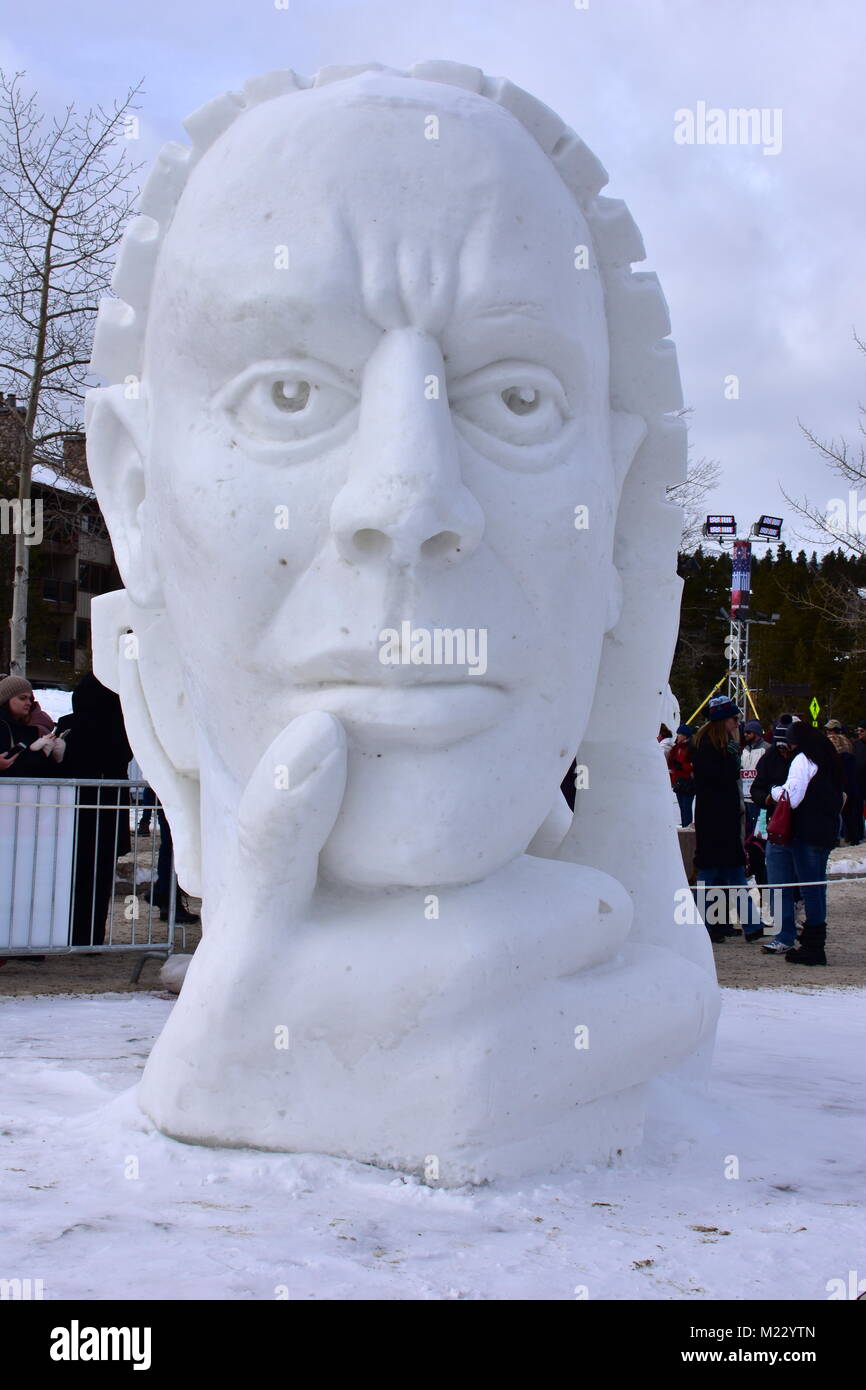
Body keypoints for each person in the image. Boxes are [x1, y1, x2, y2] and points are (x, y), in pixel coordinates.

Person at [758, 722, 843, 966]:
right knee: (816, 888)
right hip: (824, 830)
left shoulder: (803, 760)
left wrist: (774, 792)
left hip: (806, 832)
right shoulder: (828, 757)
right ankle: (814, 942)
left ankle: (813, 947)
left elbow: (792, 797)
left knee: (809, 889)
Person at [59, 673, 133, 947]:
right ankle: (91, 937)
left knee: (75, 875)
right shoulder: (122, 731)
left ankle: (72, 933)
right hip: (108, 813)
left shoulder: (71, 726)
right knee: (99, 878)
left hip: (78, 813)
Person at [692, 695, 763, 943]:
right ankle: (704, 924)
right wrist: (731, 763)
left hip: (723, 817)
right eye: (734, 718)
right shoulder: (708, 748)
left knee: (728, 873)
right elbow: (714, 782)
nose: (738, 723)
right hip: (715, 819)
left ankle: (743, 924)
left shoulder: (716, 746)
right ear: (723, 720)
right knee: (715, 873)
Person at [0, 676, 66, 778]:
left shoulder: (29, 728)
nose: (29, 703)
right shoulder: (3, 726)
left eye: (30, 699)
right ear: (6, 699)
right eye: (22, 698)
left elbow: (41, 774)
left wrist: (55, 758)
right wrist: (36, 752)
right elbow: (12, 768)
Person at [826, 730, 861, 845]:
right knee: (851, 812)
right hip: (852, 785)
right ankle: (853, 837)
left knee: (839, 812)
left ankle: (838, 837)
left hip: (841, 786)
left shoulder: (835, 757)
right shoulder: (849, 751)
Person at [740, 719, 768, 836]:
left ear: (756, 733)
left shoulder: (766, 749)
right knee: (747, 827)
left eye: (748, 732)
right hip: (745, 796)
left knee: (758, 829)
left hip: (757, 796)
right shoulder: (745, 750)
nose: (745, 734)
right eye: (745, 732)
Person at [667, 723, 695, 826]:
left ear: (685, 735)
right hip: (679, 782)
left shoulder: (691, 748)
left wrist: (682, 766)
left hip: (688, 782)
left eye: (680, 733)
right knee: (682, 808)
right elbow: (670, 763)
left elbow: (694, 765)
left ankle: (687, 828)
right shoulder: (677, 748)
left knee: (686, 808)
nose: (677, 735)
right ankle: (684, 826)